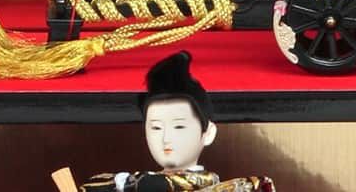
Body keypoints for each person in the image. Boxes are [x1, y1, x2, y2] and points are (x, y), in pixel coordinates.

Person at [80, 51, 275, 192]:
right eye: (156, 127)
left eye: (179, 126)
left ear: (208, 133)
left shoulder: (237, 188)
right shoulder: (119, 185)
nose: (166, 138)